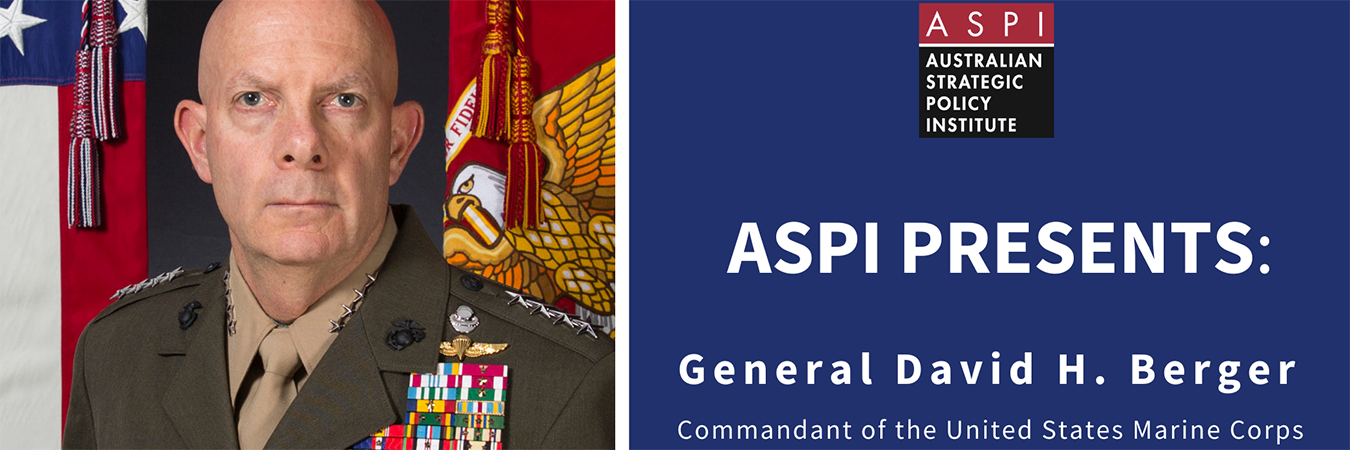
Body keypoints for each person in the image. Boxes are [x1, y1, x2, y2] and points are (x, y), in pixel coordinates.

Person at [61, 0, 614, 449]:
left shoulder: (560, 384)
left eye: (344, 100)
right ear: (201, 144)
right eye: (254, 100)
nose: (303, 144)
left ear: (396, 144)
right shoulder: (117, 354)